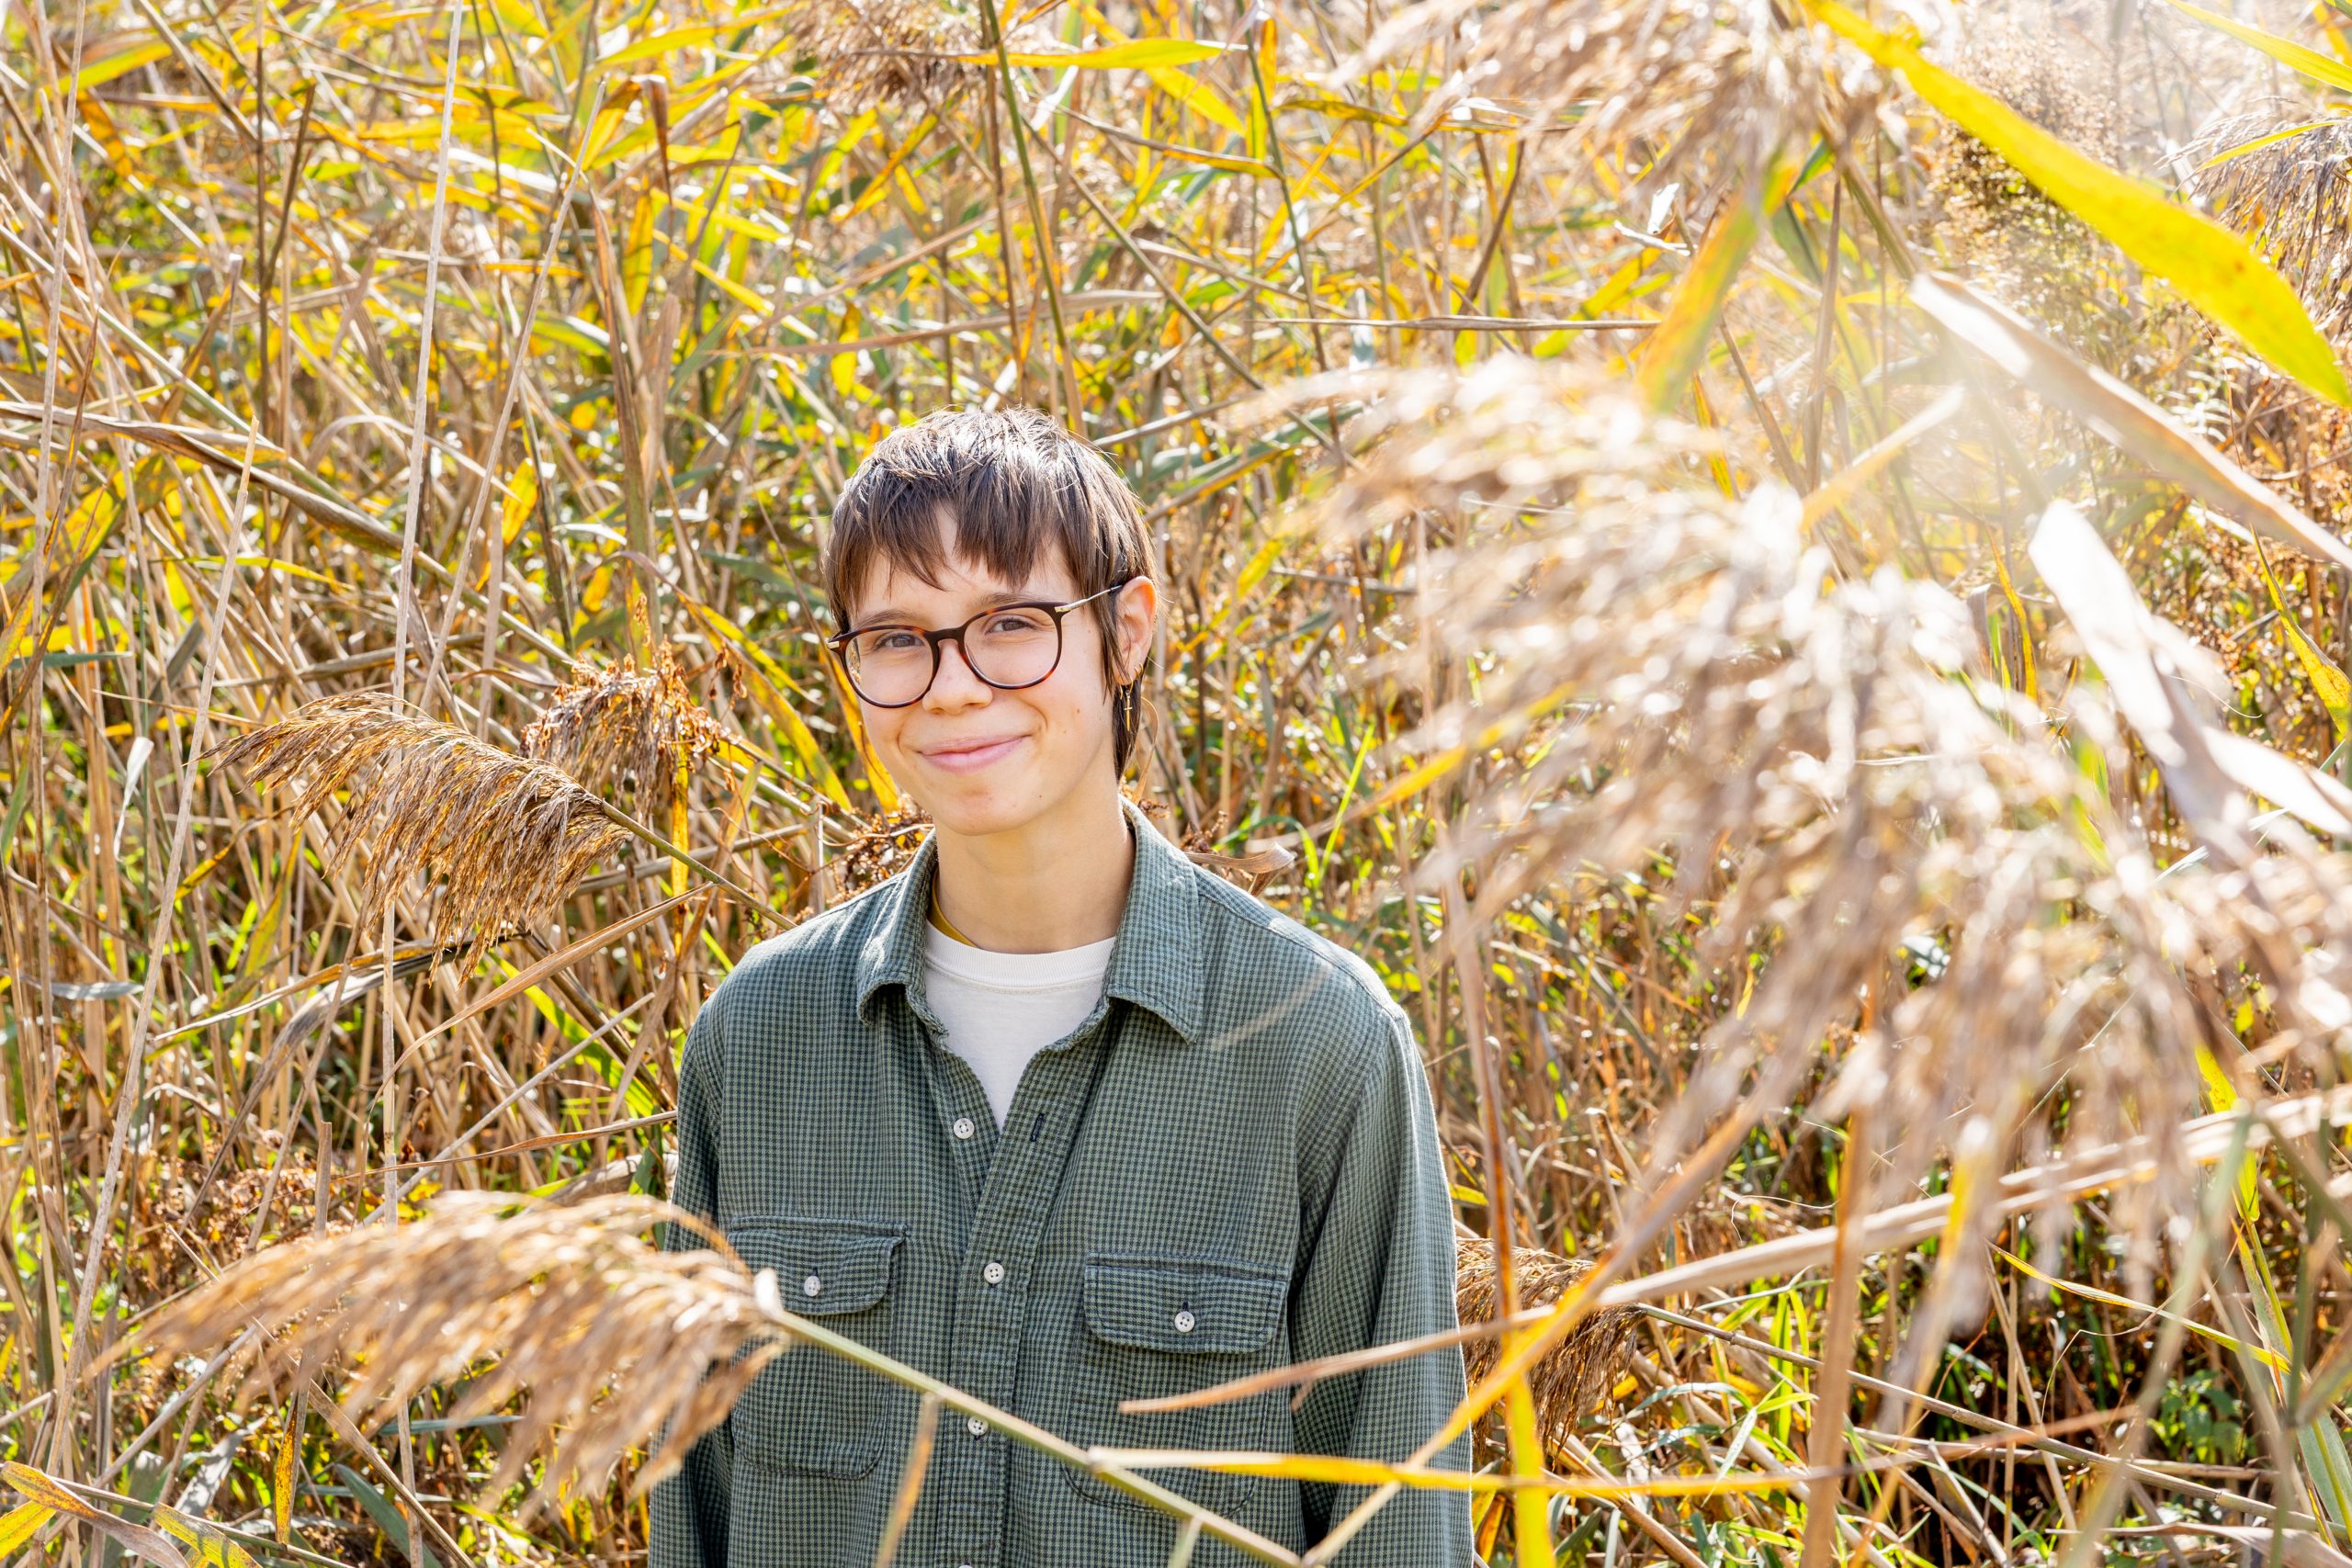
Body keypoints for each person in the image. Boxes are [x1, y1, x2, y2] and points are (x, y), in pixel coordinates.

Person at [648, 406, 1472, 1568]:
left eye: (1011, 626)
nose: (952, 688)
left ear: (1125, 631)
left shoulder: (1314, 1044)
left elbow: (1398, 1526)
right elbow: (699, 1514)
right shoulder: (762, 1039)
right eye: (897, 639)